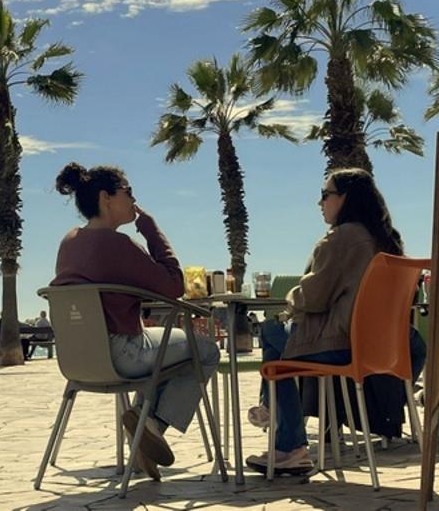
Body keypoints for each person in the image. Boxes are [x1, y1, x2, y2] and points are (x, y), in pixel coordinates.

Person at [50, 162, 220, 481]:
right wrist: (151, 229)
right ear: (106, 197)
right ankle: (152, 424)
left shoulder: (69, 241)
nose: (134, 199)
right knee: (206, 350)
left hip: (79, 361)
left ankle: (143, 430)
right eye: (128, 192)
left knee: (167, 349)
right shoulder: (119, 244)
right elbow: (173, 285)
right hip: (123, 354)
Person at [245, 168, 405, 474]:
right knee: (279, 355)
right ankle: (277, 422)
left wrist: (290, 297)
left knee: (270, 331)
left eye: (325, 195)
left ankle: (286, 439)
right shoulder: (386, 240)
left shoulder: (343, 237)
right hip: (382, 348)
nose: (320, 203)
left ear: (346, 198)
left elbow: (313, 297)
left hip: (339, 343)